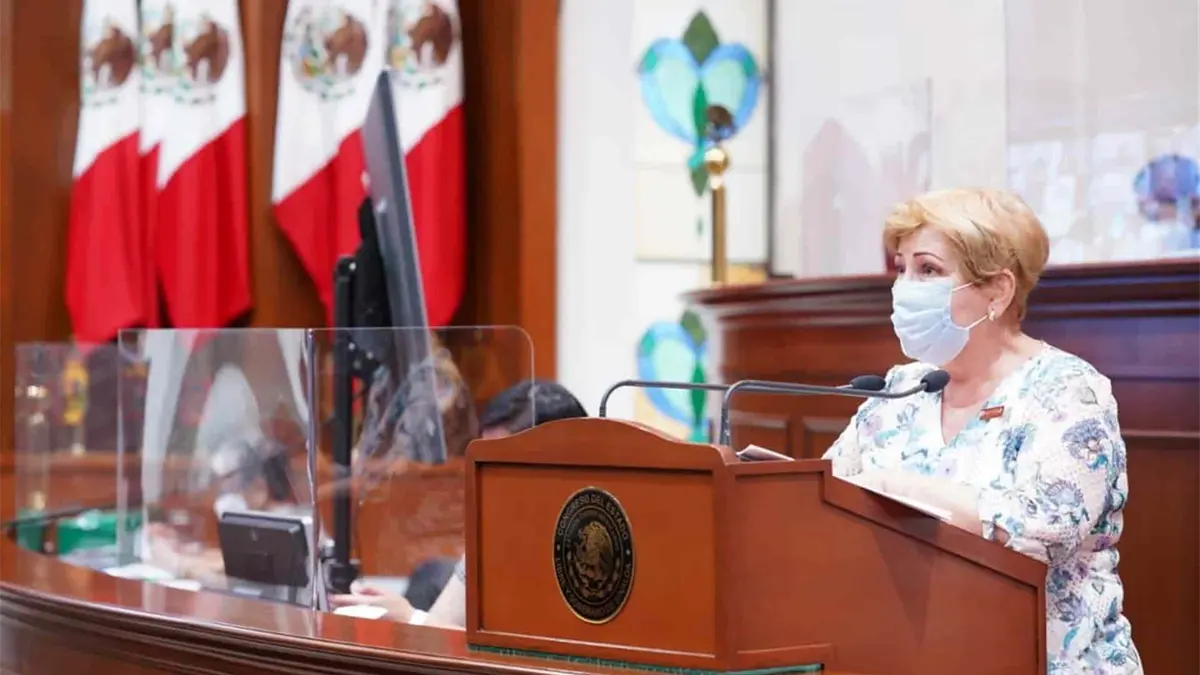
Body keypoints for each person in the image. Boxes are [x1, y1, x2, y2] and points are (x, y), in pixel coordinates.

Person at [825, 188, 1141, 674]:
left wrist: (895, 486)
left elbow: (1047, 528)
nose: (905, 287)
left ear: (997, 291)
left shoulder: (1068, 391)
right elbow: (826, 491)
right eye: (902, 268)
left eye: (928, 270)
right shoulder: (903, 387)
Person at [331, 379, 588, 628]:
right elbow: (443, 628)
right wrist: (400, 615)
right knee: (430, 576)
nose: (489, 481)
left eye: (504, 464)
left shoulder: (587, 542)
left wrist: (411, 618)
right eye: (485, 462)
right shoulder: (498, 530)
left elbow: (519, 652)